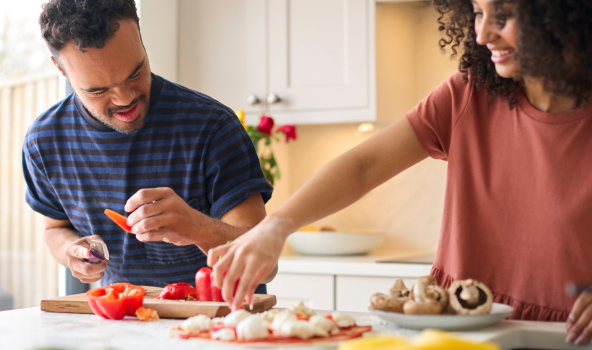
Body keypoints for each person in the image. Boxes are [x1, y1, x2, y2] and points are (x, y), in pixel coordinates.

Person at [209, 0, 592, 344]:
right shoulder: (466, 95)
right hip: (455, 331)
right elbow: (363, 166)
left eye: (503, 14)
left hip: (566, 336)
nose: (482, 32)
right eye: (477, 12)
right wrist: (276, 226)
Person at [23, 0, 277, 294]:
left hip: (219, 327)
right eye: (98, 90)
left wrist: (196, 227)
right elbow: (55, 229)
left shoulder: (212, 126)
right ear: (60, 69)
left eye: (134, 73)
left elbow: (267, 265)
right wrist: (72, 250)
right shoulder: (44, 141)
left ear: (140, 36)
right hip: (120, 324)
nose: (124, 99)